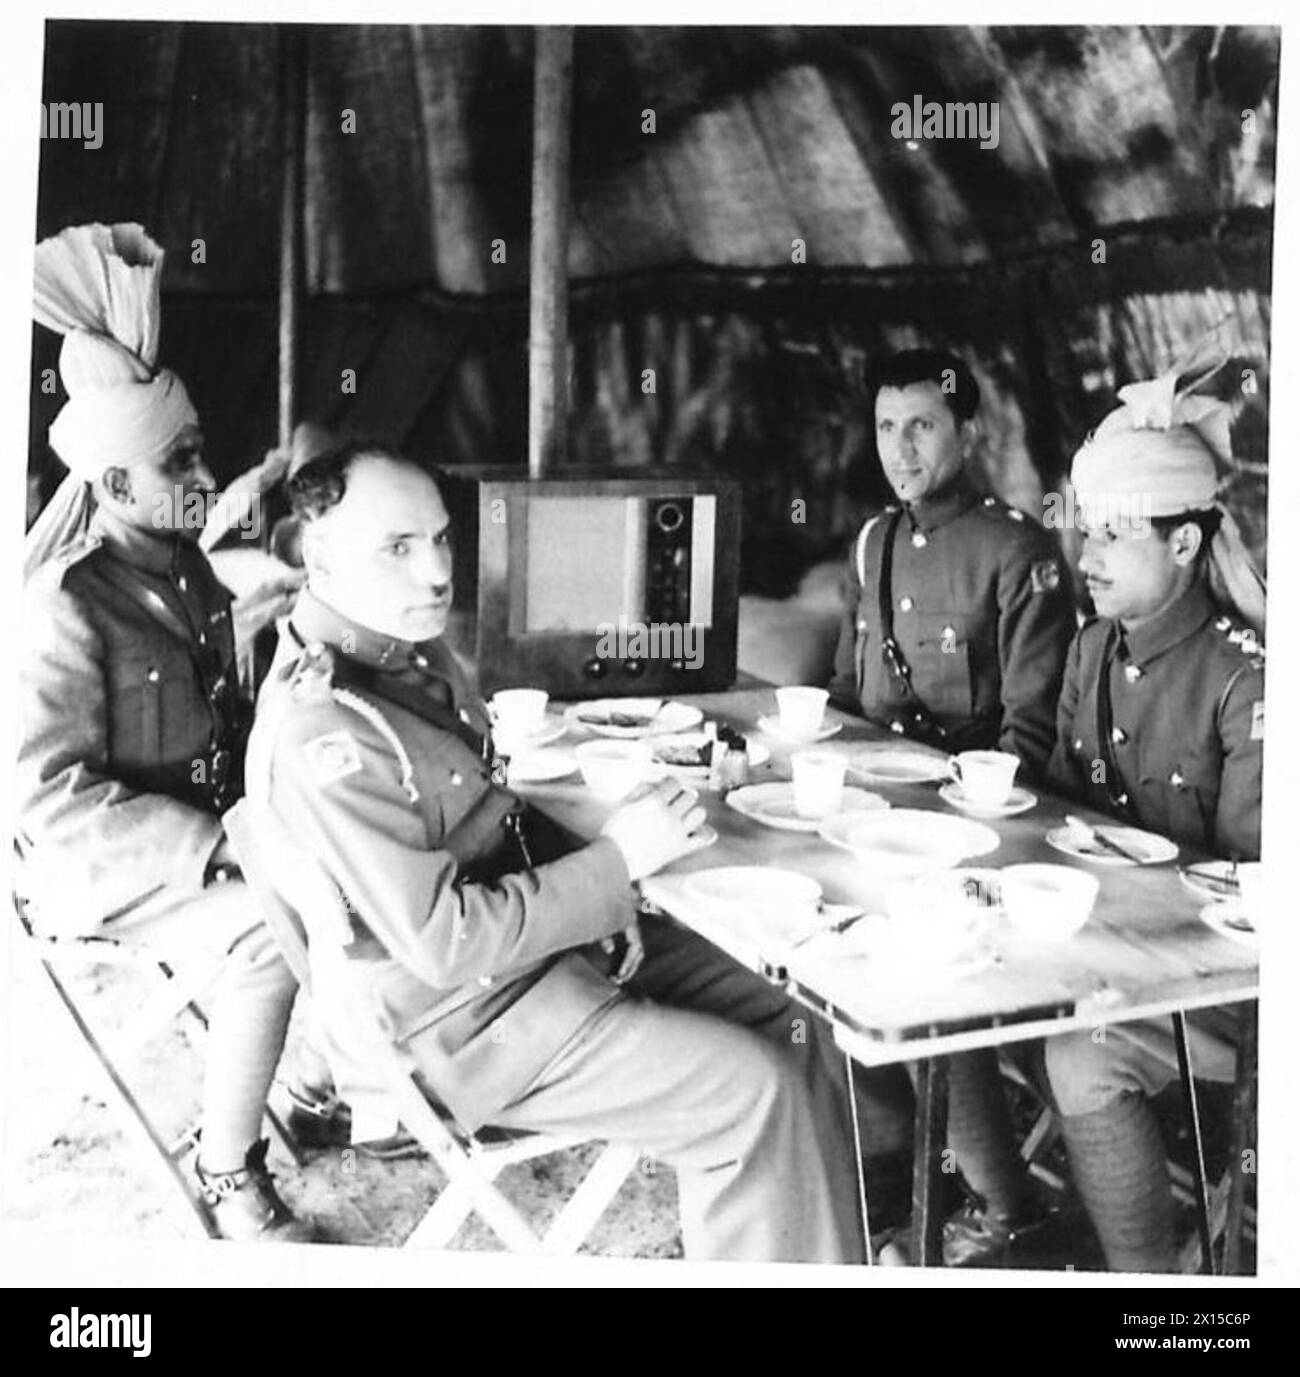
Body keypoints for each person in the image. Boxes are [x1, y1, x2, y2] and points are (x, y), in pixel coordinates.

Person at [243, 440, 868, 1263]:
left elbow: (489, 816)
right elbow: (445, 941)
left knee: (795, 1008)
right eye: (397, 548)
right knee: (751, 1092)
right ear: (313, 557)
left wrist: (608, 895)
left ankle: (832, 1255)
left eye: (439, 540)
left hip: (536, 962)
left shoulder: (409, 655)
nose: (435, 572)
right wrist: (614, 865)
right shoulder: (326, 725)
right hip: (464, 1027)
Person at [17, 222, 323, 1241]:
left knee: (356, 852)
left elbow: (208, 706)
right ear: (111, 487)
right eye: (181, 460)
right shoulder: (66, 605)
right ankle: (228, 1168)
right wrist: (211, 846)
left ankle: (321, 1087)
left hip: (209, 829)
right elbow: (46, 800)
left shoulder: (184, 568)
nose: (206, 473)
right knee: (263, 934)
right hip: (106, 873)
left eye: (196, 450)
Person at [829, 348, 1078, 1264]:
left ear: (969, 433)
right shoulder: (873, 542)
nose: (901, 447)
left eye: (922, 425)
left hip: (986, 832)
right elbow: (850, 700)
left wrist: (948, 833)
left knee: (927, 969)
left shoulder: (1017, 551)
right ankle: (889, 1182)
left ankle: (1006, 1205)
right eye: (888, 426)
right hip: (880, 825)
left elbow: (1033, 735)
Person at [1043, 364, 1265, 1273]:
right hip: (1101, 947)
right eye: (1085, 531)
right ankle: (1007, 1208)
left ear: (1184, 546)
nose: (1086, 556)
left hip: (1221, 995)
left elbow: (1254, 897)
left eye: (1114, 536)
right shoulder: (1092, 648)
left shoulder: (1245, 682)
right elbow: (1055, 818)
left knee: (1078, 1055)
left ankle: (1157, 1289)